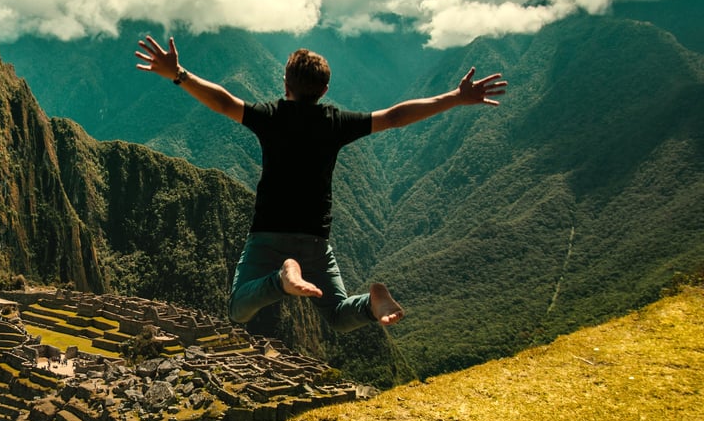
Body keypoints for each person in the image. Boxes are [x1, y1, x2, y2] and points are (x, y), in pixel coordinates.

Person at [135, 35, 506, 331]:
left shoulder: (271, 117)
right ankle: (371, 300)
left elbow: (223, 102)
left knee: (237, 309)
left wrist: (178, 74)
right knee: (338, 315)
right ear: (324, 90)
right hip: (315, 241)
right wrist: (455, 97)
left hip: (269, 235)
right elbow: (395, 117)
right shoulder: (335, 122)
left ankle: (281, 280)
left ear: (285, 83)